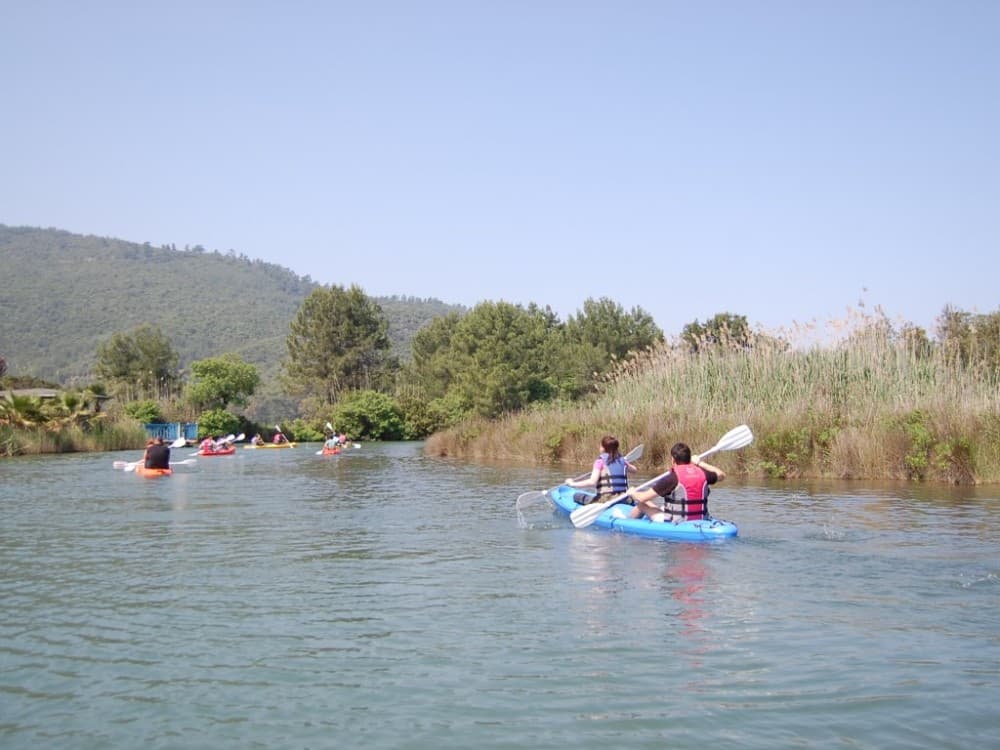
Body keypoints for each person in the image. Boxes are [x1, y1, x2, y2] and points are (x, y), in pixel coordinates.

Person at [627, 442, 726, 522]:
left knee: (642, 504)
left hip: (676, 522)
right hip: (701, 519)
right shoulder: (703, 474)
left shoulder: (671, 478)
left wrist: (632, 493)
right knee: (657, 505)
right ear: (689, 459)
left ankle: (626, 523)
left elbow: (641, 498)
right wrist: (700, 463)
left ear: (673, 460)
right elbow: (721, 475)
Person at [564, 435, 638, 504]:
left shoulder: (600, 462)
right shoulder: (622, 461)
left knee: (576, 496)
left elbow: (592, 482)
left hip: (606, 499)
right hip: (624, 498)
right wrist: (624, 461)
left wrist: (572, 484)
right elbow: (634, 470)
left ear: (603, 448)